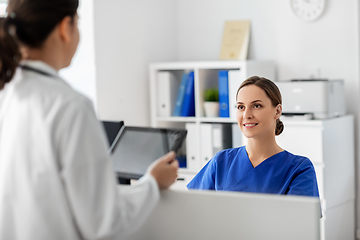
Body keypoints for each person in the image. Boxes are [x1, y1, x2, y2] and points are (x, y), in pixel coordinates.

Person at [0, 0, 178, 239]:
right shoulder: (70, 106)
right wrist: (152, 183)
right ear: (65, 27)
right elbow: (104, 223)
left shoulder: (7, 94)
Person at [187, 76, 320, 198]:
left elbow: (299, 221)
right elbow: (193, 211)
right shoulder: (221, 162)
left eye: (256, 106)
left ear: (277, 111)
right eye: (240, 107)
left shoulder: (299, 169)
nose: (246, 115)